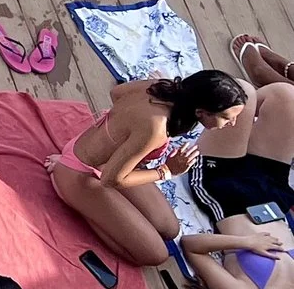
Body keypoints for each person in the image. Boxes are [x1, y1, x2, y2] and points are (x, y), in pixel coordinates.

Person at [47, 69, 246, 269]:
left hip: (105, 163)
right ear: (201, 111)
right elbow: (110, 180)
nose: (232, 123)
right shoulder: (156, 128)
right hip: (81, 174)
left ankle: (91, 194)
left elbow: (117, 93)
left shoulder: (162, 88)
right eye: (227, 117)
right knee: (156, 255)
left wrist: (119, 137)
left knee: (170, 228)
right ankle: (72, 195)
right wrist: (167, 170)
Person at [182, 46, 294, 289]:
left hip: (226, 190)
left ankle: (238, 115)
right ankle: (256, 109)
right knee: (288, 99)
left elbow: (193, 247)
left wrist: (247, 243)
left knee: (240, 94)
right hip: (272, 193)